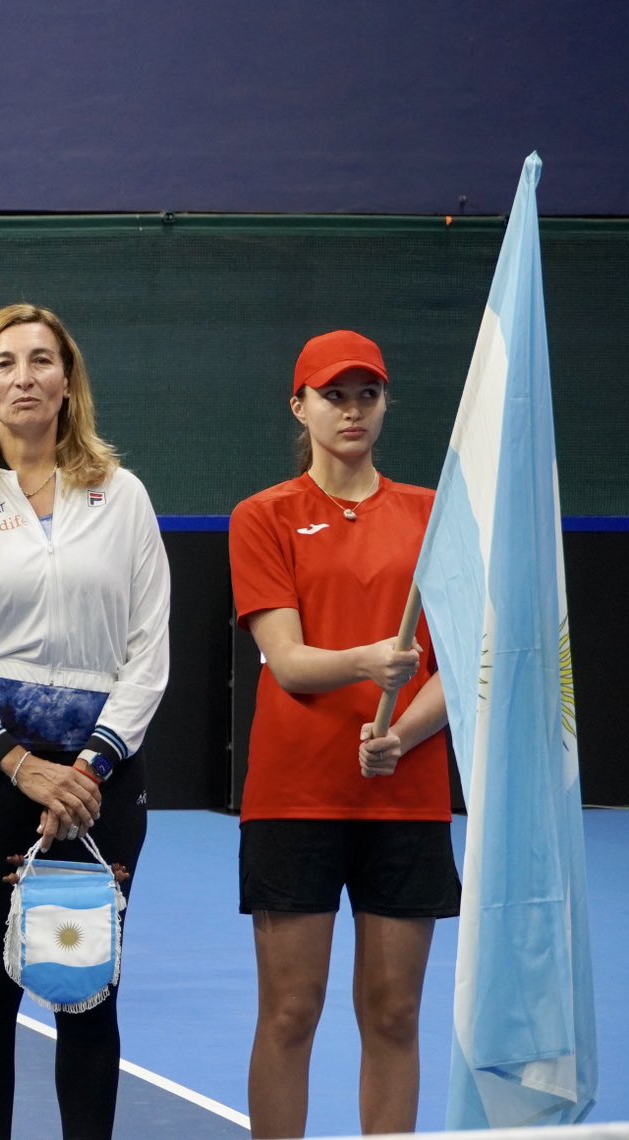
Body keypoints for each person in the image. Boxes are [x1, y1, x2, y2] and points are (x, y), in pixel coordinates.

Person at [0, 302, 169, 1140]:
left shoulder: (122, 498)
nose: (25, 377)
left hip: (102, 785)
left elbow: (147, 654)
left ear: (67, 381)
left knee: (89, 994)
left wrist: (86, 770)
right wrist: (20, 765)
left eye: (42, 360)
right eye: (5, 363)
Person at [230, 330, 453, 1139]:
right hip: (295, 798)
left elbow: (458, 665)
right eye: (334, 395)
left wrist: (404, 734)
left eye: (367, 395)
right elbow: (287, 661)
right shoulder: (263, 517)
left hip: (408, 796)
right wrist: (371, 661)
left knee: (394, 1014)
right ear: (301, 406)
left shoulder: (434, 517)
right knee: (292, 1010)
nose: (352, 410)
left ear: (386, 404)